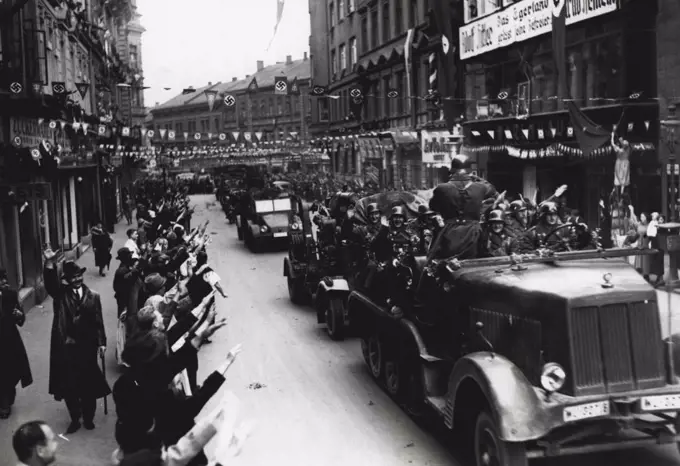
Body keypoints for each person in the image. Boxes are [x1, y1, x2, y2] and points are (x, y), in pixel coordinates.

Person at [43, 255, 110, 434]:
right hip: (66, 347)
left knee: (88, 385)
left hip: (87, 347)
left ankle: (88, 418)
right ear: (67, 280)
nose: (77, 280)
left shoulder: (93, 296)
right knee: (69, 385)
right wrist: (49, 264)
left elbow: (99, 321)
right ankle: (75, 419)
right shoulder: (60, 295)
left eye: (79, 276)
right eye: (73, 277)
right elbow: (50, 283)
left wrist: (102, 343)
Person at [427, 155, 498, 260]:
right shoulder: (480, 187)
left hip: (449, 234)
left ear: (451, 171)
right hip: (473, 234)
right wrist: (475, 178)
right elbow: (493, 191)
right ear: (470, 171)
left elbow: (433, 206)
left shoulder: (441, 189)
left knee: (434, 263)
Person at [0, 269, 32, 419]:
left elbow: (21, 319)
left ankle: (6, 400)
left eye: (4, 279)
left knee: (8, 370)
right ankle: (4, 402)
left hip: (8, 338)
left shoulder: (11, 294)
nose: (3, 283)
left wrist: (19, 316)